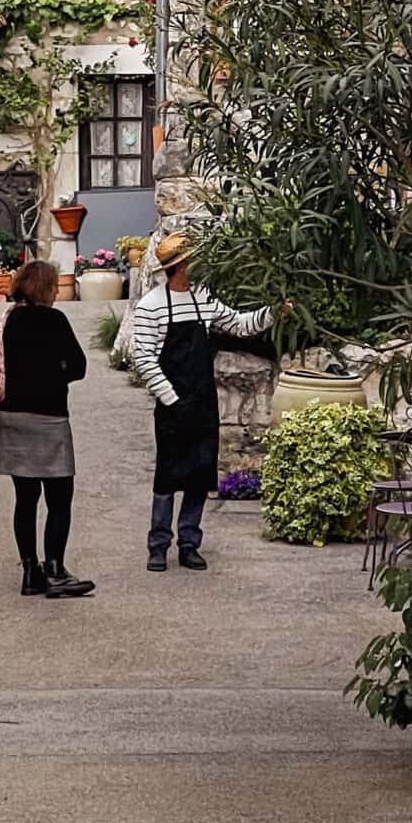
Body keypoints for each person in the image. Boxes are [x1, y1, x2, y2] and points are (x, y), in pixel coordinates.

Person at [129, 233, 274, 571]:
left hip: (204, 402)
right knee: (167, 477)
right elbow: (144, 358)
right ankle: (158, 544)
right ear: (180, 266)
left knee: (199, 474)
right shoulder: (151, 306)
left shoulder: (204, 298)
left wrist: (273, 313)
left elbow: (238, 324)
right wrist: (171, 398)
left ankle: (190, 542)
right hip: (173, 405)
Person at [0, 261, 96, 599]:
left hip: (13, 417)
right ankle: (55, 569)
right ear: (44, 288)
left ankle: (29, 571)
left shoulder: (9, 320)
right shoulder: (54, 321)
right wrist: (55, 373)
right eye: (53, 286)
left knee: (25, 498)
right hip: (49, 416)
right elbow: (78, 367)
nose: (56, 292)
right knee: (59, 497)